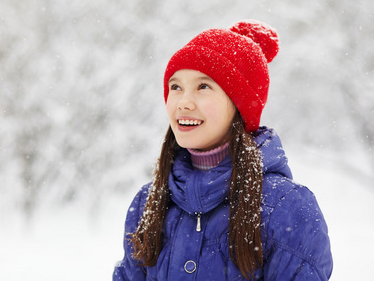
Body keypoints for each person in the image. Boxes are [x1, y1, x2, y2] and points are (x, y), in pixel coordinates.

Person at [113, 20, 333, 280]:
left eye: (203, 87)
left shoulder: (287, 208)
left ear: (240, 105)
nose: (183, 102)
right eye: (176, 87)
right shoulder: (149, 202)